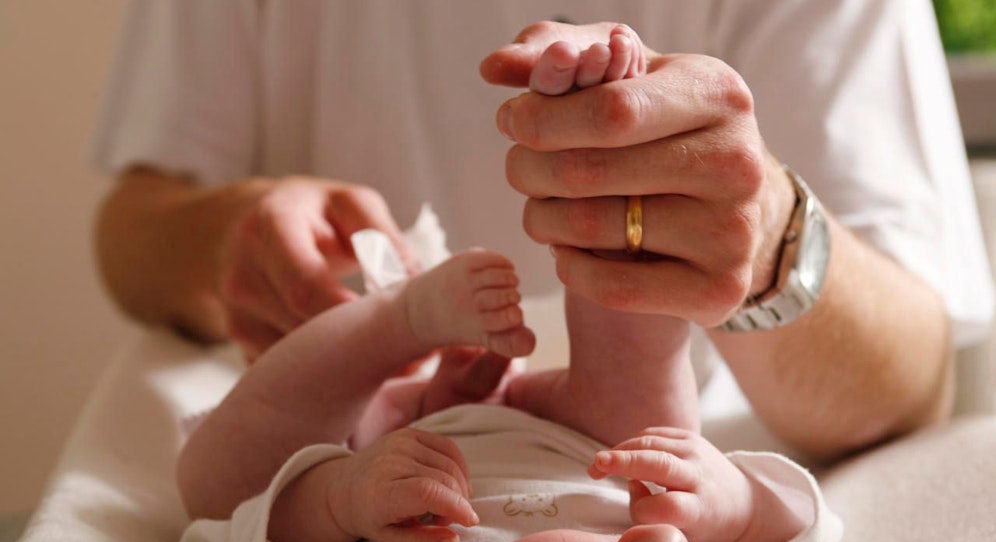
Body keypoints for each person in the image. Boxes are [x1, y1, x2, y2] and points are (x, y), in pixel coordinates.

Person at [93, 3, 994, 462]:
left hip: (661, 468)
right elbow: (132, 231)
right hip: (372, 445)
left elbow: (913, 383)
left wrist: (765, 240)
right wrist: (224, 239)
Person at [175, 46, 874, 542]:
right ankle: (609, 155)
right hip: (605, 451)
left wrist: (341, 499)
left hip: (386, 444)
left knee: (222, 484)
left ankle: (396, 318)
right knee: (638, 371)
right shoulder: (664, 532)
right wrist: (743, 513)